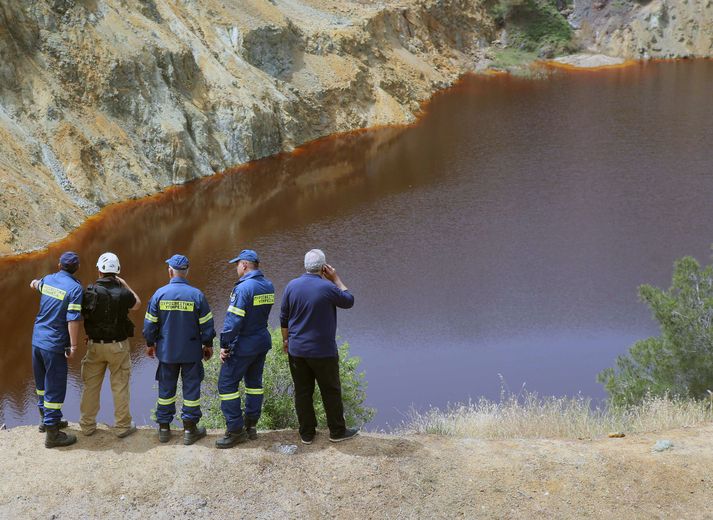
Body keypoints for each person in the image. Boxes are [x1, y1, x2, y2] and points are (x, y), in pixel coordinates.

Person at [280, 249, 358, 444]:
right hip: (323, 352)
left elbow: (284, 318)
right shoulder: (328, 288)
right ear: (324, 268)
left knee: (303, 392)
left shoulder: (292, 286)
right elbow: (349, 301)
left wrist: (286, 341)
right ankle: (337, 432)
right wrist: (336, 279)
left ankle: (307, 434)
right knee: (330, 391)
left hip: (297, 351)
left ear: (305, 266)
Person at [143, 254, 215, 445]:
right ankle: (190, 430)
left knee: (166, 390)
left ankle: (164, 429)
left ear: (170, 271)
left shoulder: (159, 295)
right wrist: (208, 346)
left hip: (167, 353)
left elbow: (150, 325)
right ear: (187, 271)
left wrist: (150, 344)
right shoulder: (197, 295)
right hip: (191, 352)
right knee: (191, 391)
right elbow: (207, 326)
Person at [215, 249, 275, 449]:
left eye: (237, 264)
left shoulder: (243, 288)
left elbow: (233, 321)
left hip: (244, 344)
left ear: (245, 265)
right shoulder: (268, 285)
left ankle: (235, 430)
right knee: (254, 384)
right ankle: (251, 426)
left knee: (227, 385)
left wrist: (224, 345)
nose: (236, 268)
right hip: (261, 341)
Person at [79, 252, 141, 438]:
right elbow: (137, 303)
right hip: (118, 347)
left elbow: (82, 315)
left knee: (91, 386)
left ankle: (87, 426)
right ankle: (122, 426)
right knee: (120, 386)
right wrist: (124, 283)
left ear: (99, 270)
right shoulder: (123, 293)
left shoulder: (89, 291)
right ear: (117, 272)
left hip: (94, 346)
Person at [29, 251, 83, 448]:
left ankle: (46, 420)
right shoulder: (75, 289)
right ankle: (53, 434)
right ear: (76, 268)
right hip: (54, 344)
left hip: (37, 341)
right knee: (55, 386)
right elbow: (73, 319)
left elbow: (36, 284)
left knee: (41, 384)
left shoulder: (49, 279)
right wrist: (74, 345)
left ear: (59, 265)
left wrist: (34, 283)